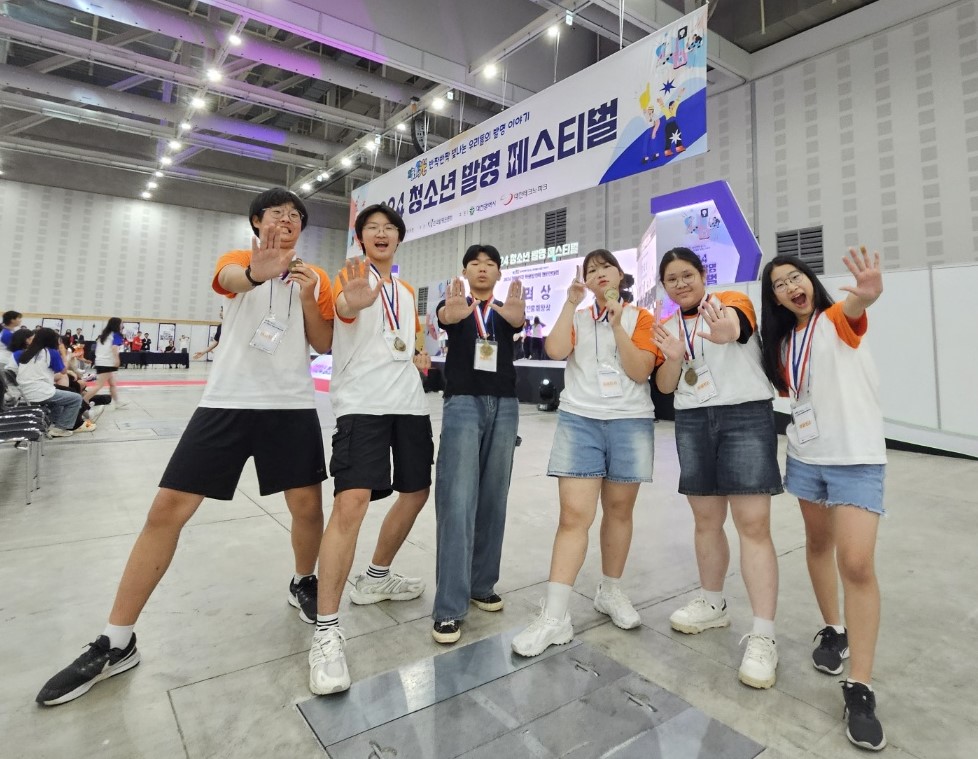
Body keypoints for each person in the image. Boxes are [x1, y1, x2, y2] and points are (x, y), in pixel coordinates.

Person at [36, 187, 334, 706]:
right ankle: (116, 640)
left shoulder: (316, 277)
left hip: (290, 404)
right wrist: (259, 271)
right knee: (167, 508)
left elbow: (324, 342)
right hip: (225, 401)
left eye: (296, 216)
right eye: (277, 213)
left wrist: (309, 296)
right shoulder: (238, 259)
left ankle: (303, 581)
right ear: (256, 221)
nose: (287, 220)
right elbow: (231, 279)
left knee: (307, 506)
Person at [760, 248, 887, 751]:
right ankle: (834, 629)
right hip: (806, 457)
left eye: (797, 277)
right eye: (779, 284)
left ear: (811, 281)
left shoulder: (837, 319)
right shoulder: (783, 342)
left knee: (856, 563)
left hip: (855, 458)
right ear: (774, 298)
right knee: (817, 545)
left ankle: (860, 687)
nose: (792, 286)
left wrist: (865, 295)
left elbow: (855, 309)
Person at [308, 203, 432, 696]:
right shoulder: (349, 277)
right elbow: (344, 308)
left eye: (389, 228)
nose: (382, 233)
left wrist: (418, 352)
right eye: (372, 228)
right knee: (351, 503)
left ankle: (376, 576)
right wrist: (351, 301)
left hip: (410, 405)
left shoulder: (406, 290)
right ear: (360, 239)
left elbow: (402, 341)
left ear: (399, 238)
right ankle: (326, 631)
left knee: (416, 491)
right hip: (362, 405)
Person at [512, 250, 657, 657]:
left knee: (619, 511)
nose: (598, 273)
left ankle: (610, 590)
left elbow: (640, 371)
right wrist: (570, 303)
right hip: (580, 421)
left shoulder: (641, 318)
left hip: (630, 422)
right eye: (591, 270)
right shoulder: (577, 317)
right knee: (573, 516)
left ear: (621, 275)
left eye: (605, 267)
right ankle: (555, 617)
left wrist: (618, 324)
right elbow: (556, 351)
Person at [651, 247, 782, 689]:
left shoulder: (731, 300)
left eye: (687, 274)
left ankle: (763, 635)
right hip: (692, 420)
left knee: (753, 525)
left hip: (744, 415)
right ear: (664, 286)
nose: (681, 284)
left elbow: (737, 327)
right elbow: (665, 386)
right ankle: (713, 604)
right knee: (706, 521)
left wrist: (726, 329)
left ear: (702, 275)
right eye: (672, 279)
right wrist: (672, 357)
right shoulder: (667, 326)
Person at [431, 245, 525, 644]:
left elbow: (517, 320)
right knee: (457, 499)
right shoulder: (456, 304)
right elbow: (445, 316)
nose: (482, 269)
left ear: (499, 274)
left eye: (490, 265)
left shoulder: (506, 310)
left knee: (493, 499)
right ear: (465, 272)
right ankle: (449, 607)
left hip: (505, 405)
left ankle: (481, 584)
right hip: (463, 404)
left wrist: (516, 318)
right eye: (475, 264)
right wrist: (449, 314)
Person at [13, 327, 90, 438]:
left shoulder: (25, 352)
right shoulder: (50, 352)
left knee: (59, 397)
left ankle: (52, 424)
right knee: (75, 398)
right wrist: (63, 353)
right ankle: (61, 428)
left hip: (24, 392)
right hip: (39, 392)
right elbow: (63, 371)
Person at [82, 318, 126, 407]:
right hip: (107, 363)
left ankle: (117, 402)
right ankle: (83, 402)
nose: (122, 325)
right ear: (117, 324)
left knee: (112, 383)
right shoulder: (116, 334)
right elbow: (114, 348)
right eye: (121, 323)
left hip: (101, 361)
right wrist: (117, 359)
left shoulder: (104, 335)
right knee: (99, 385)